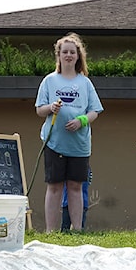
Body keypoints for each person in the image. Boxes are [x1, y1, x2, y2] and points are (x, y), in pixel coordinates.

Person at [35, 33, 104, 232]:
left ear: (78, 56)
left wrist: (82, 121)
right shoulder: (49, 81)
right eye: (64, 52)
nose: (68, 55)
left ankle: (77, 228)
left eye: (72, 52)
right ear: (59, 55)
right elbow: (40, 110)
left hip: (79, 145)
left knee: (75, 187)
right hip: (54, 143)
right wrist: (51, 108)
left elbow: (94, 111)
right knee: (54, 186)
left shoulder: (85, 83)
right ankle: (50, 230)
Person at [61, 166, 91, 231]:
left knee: (69, 227)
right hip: (68, 202)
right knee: (66, 227)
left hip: (79, 202)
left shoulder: (83, 169)